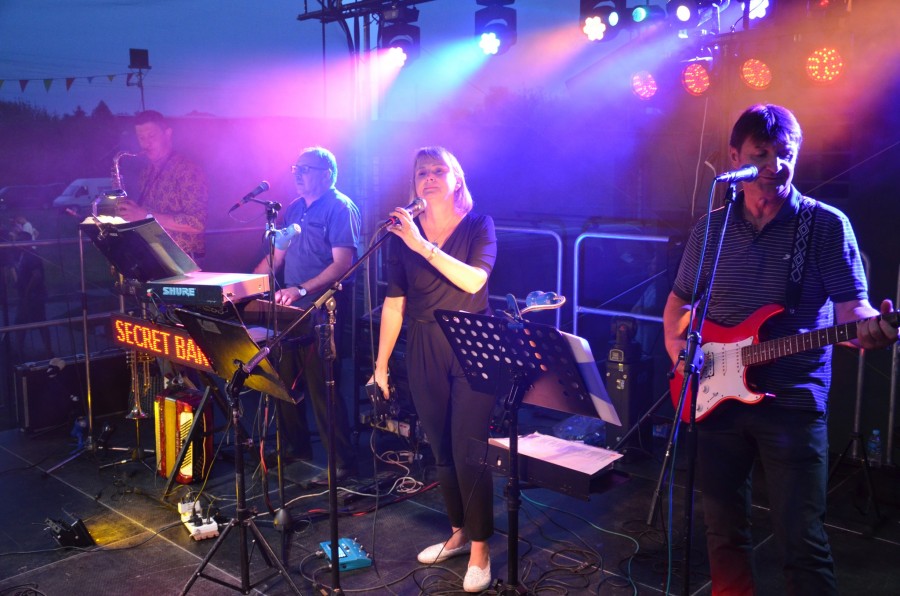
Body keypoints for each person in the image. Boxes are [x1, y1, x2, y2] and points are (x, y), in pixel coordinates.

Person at [663, 104, 898, 595]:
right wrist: (680, 353)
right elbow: (680, 303)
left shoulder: (826, 225)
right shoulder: (711, 228)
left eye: (785, 154)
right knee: (723, 534)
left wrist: (872, 328)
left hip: (792, 403)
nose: (775, 166)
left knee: (802, 543)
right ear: (735, 158)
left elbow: (851, 309)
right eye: (761, 155)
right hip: (715, 400)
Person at [371, 146, 498, 593]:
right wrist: (381, 366)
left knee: (469, 449)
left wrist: (421, 246)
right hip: (424, 342)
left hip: (471, 341)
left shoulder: (479, 225)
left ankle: (481, 548)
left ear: (456, 179)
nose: (428, 177)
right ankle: (459, 533)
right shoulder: (403, 235)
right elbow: (395, 303)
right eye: (421, 172)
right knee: (440, 447)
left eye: (438, 170)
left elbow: (474, 280)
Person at [252, 146, 359, 483]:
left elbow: (342, 265)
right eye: (295, 168)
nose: (297, 174)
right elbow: (276, 258)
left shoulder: (340, 208)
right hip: (290, 310)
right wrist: (244, 286)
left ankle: (342, 462)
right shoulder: (295, 208)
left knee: (323, 387)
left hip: (323, 309)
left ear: (327, 174)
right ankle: (295, 447)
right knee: (284, 380)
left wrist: (301, 289)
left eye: (306, 169)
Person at [116, 110, 208, 262]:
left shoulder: (188, 170)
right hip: (154, 258)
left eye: (152, 136)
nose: (146, 144)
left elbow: (197, 223)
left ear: (167, 134)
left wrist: (144, 215)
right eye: (141, 138)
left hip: (184, 261)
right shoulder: (146, 172)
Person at [13, 231, 51, 356]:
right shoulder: (23, 255)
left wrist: (27, 292)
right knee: (33, 322)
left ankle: (22, 352)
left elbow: (37, 276)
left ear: (26, 242)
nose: (17, 243)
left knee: (23, 323)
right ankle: (47, 350)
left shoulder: (31, 256)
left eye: (20, 241)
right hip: (30, 296)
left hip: (33, 296)